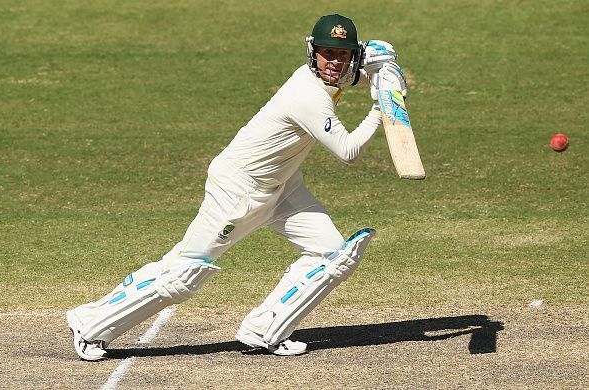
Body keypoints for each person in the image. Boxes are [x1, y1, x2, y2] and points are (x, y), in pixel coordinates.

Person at [67, 13, 407, 360]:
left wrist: (383, 72)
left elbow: (359, 74)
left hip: (283, 186)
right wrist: (383, 107)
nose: (335, 62)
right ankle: (90, 323)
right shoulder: (306, 93)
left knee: (334, 255)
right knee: (184, 273)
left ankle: (265, 330)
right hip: (239, 189)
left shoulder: (335, 72)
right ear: (312, 52)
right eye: (327, 53)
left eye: (344, 54)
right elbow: (348, 151)